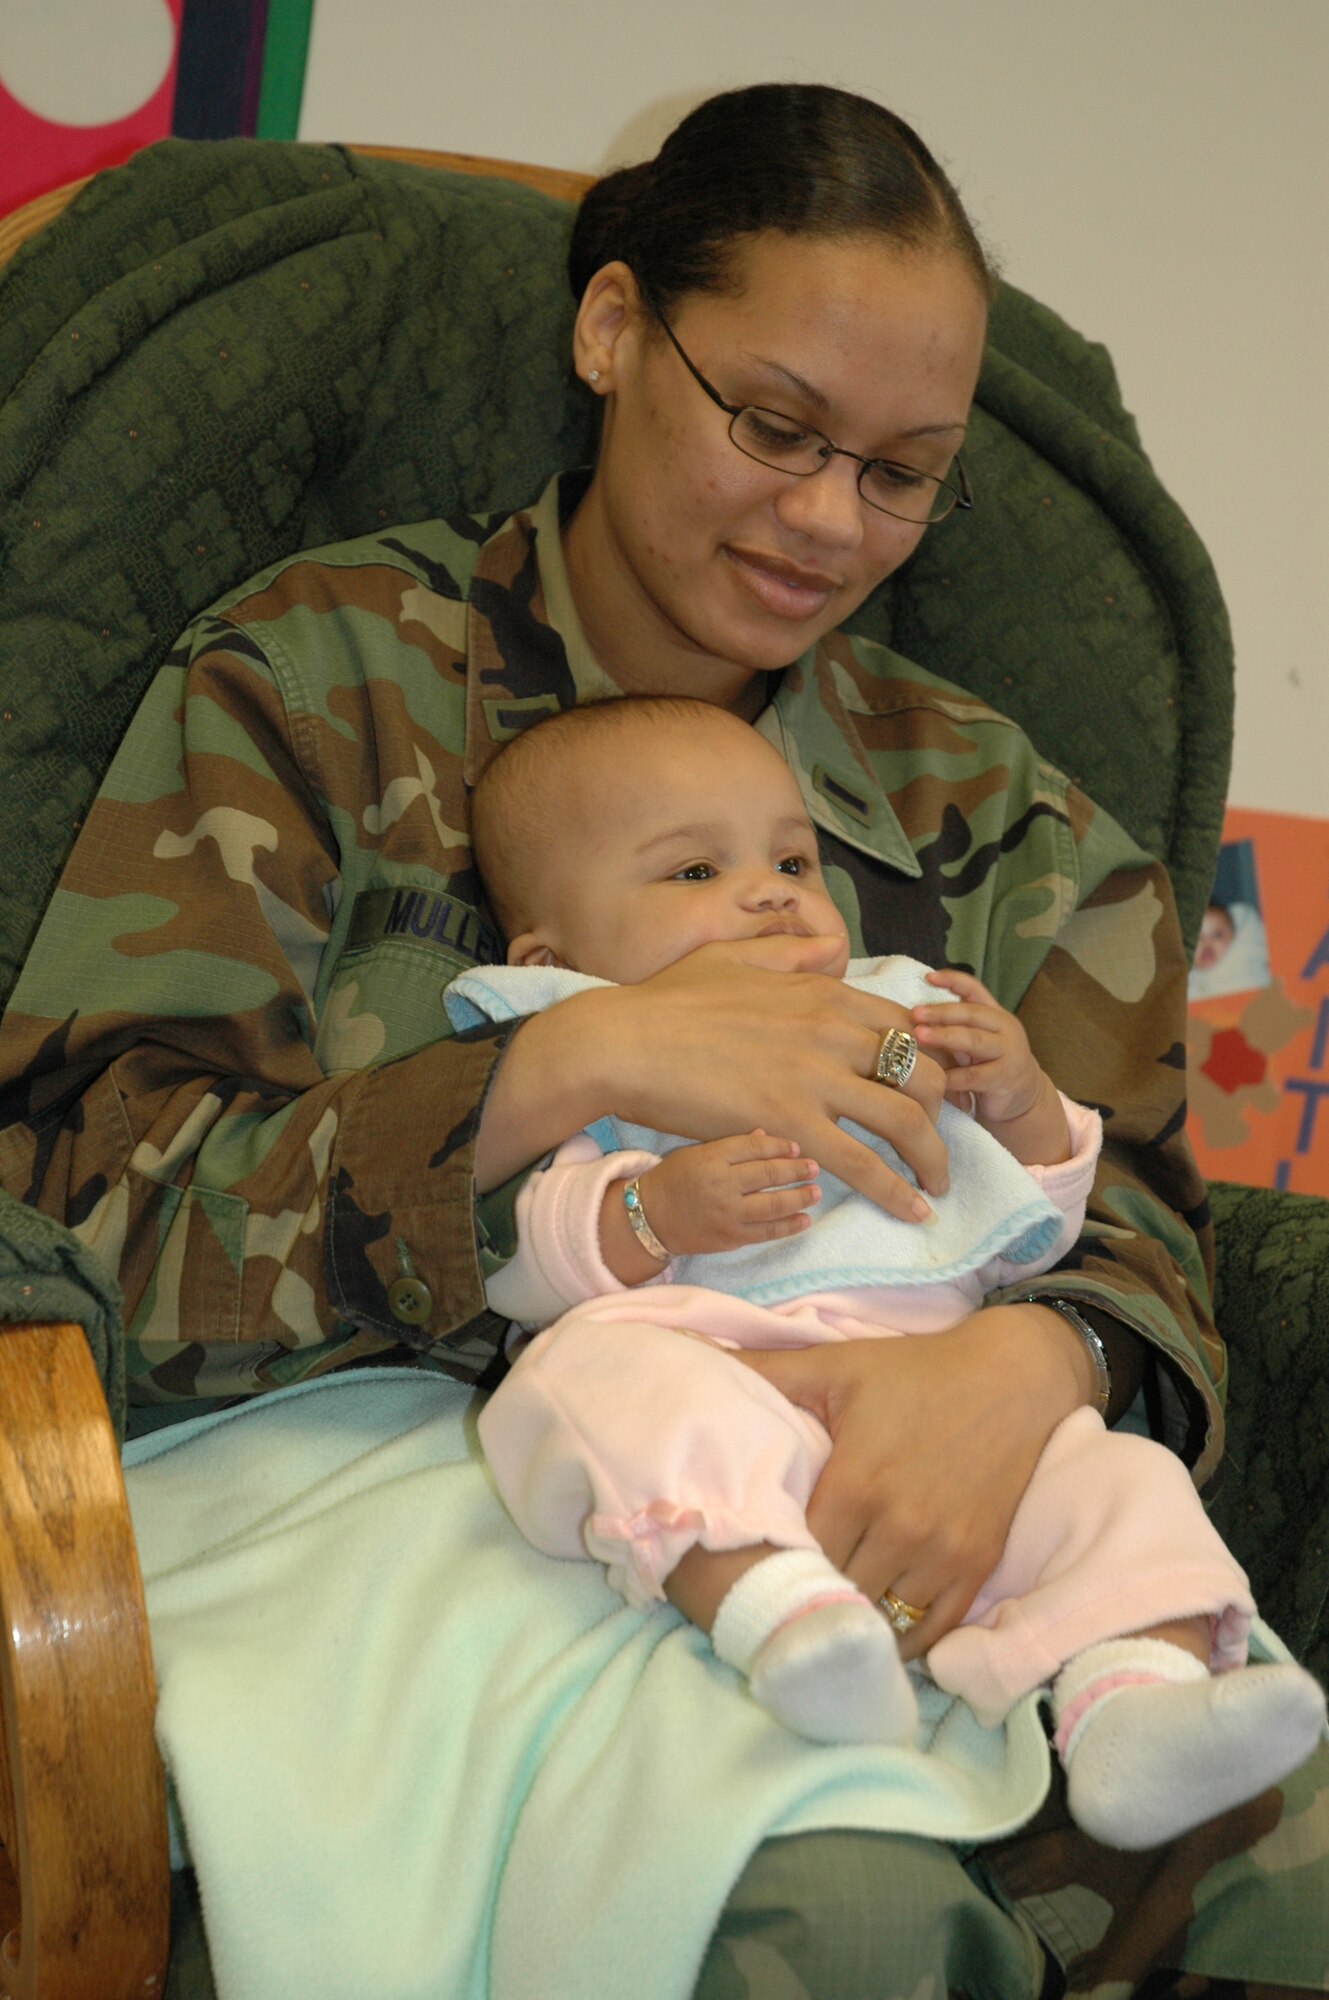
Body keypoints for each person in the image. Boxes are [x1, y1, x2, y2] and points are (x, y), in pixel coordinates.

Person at [1, 77, 1326, 1998]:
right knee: (844, 1929)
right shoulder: (313, 687)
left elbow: (1140, 1213)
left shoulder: (1001, 815)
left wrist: (1039, 1358)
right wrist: (566, 1067)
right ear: (613, 330)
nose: (823, 520)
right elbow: (81, 1191)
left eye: (899, 470)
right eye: (773, 427)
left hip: (942, 1543)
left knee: (1288, 1864)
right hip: (438, 1556)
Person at [455, 694, 1324, 1848]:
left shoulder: (897, 1014)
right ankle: (787, 1618)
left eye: (791, 857)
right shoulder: (579, 1035)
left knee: (1111, 1478)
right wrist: (649, 1211)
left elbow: (1029, 1231)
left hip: (938, 1383)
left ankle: (1139, 1708)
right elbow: (522, 1258)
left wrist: (1020, 1107)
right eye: (694, 870)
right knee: (587, 1380)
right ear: (552, 957)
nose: (768, 889)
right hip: (711, 1361)